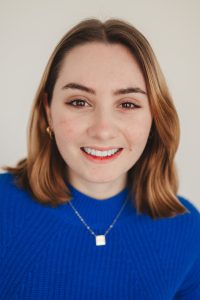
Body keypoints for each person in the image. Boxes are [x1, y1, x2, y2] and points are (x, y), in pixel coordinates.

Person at [0, 17, 199, 300]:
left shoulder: (188, 231)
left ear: (154, 118)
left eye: (128, 104)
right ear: (48, 111)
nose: (103, 130)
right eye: (79, 102)